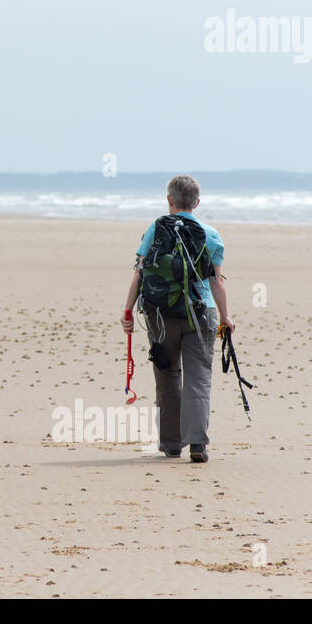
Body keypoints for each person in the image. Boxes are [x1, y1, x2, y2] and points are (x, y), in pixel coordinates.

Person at [120, 174, 233, 463]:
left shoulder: (156, 227)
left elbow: (140, 270)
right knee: (199, 380)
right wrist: (225, 317)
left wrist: (128, 309)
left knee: (167, 377)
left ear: (169, 200)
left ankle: (171, 444)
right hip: (201, 312)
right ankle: (198, 445)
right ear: (196, 201)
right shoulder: (211, 234)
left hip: (161, 313)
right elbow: (216, 281)